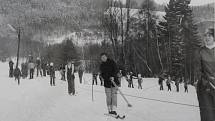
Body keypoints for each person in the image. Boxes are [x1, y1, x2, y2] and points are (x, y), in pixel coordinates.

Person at [194, 28, 215, 121]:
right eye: (205, 36)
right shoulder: (200, 52)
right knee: (209, 115)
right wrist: (206, 82)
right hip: (205, 87)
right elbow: (197, 70)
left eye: (209, 35)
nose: (207, 38)